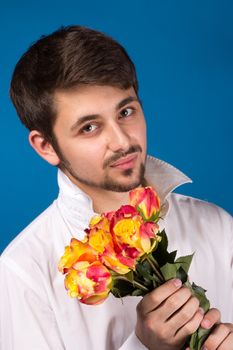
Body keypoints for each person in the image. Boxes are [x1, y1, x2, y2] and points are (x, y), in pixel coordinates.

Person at [0, 25, 232, 350]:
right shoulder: (25, 271)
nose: (123, 141)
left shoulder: (218, 226)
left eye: (126, 112)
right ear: (46, 146)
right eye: (90, 127)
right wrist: (142, 347)